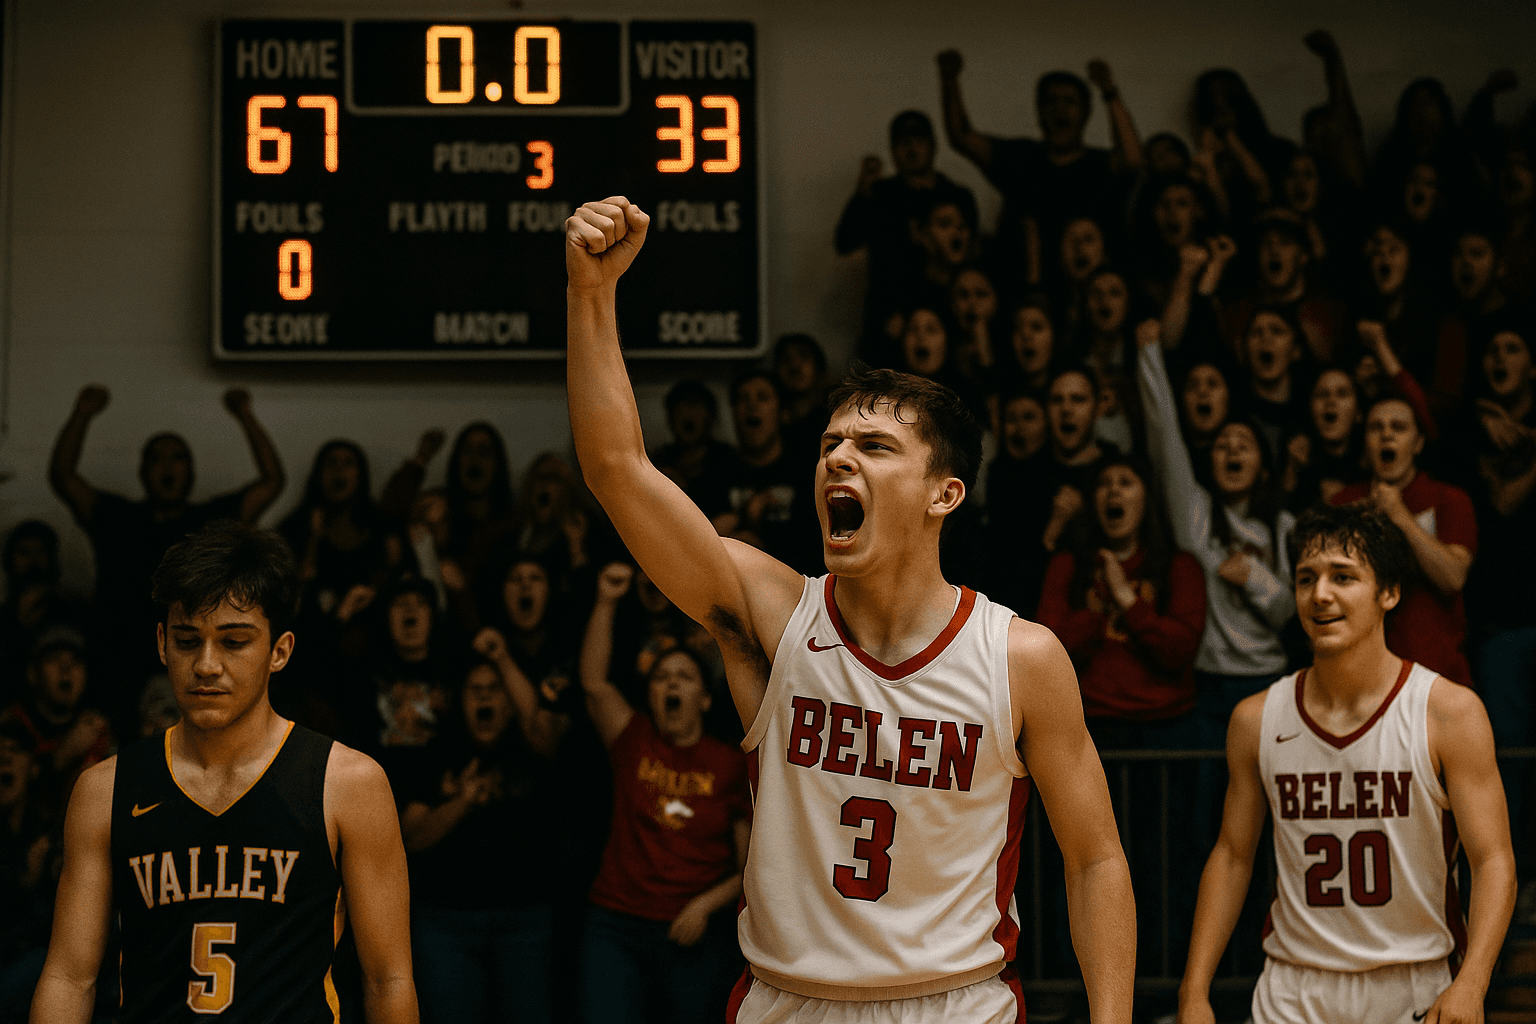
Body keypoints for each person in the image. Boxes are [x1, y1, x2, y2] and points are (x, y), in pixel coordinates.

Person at [565, 197, 1133, 1022]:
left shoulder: (1021, 657)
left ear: (945, 493)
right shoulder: (774, 615)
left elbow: (1095, 860)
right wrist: (592, 293)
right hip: (789, 1003)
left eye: (872, 446)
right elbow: (618, 469)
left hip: (954, 1005)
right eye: (830, 444)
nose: (837, 457)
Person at [27, 521, 417, 1023]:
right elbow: (68, 977)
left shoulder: (347, 783)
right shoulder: (105, 790)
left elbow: (389, 979)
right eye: (189, 642)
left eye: (234, 642)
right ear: (163, 644)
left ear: (280, 650)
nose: (207, 665)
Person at [1177, 504, 1516, 1024]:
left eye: (1343, 577)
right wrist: (1194, 991)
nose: (1321, 595)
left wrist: (1473, 981)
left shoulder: (1449, 713)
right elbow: (1232, 855)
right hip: (1292, 986)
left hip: (1413, 980)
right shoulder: (1256, 719)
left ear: (1389, 592)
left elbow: (1492, 860)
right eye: (1306, 578)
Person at [48, 386, 285, 732]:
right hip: (118, 666)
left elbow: (272, 482)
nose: (167, 466)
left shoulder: (215, 521)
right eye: (157, 458)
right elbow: (63, 477)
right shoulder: (117, 517)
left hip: (194, 664)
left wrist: (245, 415)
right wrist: (81, 414)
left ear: (191, 470)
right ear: (143, 470)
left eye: (177, 457)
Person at [578, 562, 751, 1024]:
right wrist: (607, 600)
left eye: (684, 676)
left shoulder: (729, 762)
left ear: (706, 698)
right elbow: (594, 685)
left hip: (692, 928)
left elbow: (748, 867)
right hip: (615, 923)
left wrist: (704, 906)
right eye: (660, 678)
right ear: (650, 696)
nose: (671, 683)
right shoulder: (633, 738)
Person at [1328, 393, 1476, 686]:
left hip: (1435, 674)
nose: (1386, 435)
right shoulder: (1342, 504)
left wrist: (1399, 514)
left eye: (1398, 427)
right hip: (1359, 677)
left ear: (1418, 443)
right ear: (1365, 443)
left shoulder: (1449, 499)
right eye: (1376, 427)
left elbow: (1453, 578)